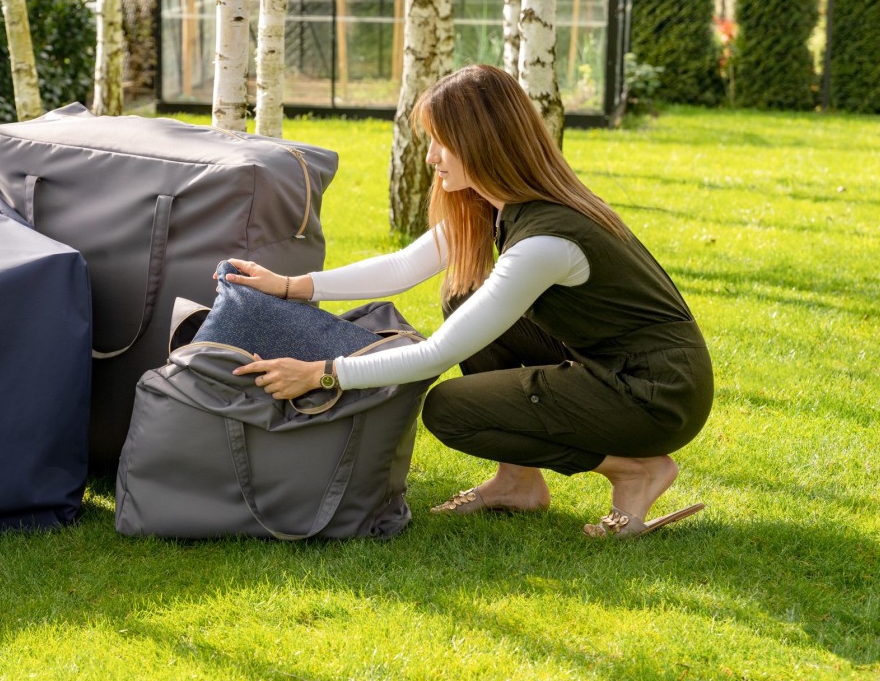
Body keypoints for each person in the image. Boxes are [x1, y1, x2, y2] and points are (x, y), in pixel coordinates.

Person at [229, 64, 712, 539]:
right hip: (610, 361)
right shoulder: (501, 203)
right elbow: (403, 267)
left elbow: (436, 355)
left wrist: (322, 374)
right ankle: (518, 482)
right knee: (463, 294)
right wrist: (291, 285)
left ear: (483, 143)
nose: (430, 157)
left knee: (451, 410)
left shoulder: (545, 242)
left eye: (443, 142)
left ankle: (634, 470)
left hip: (655, 394)